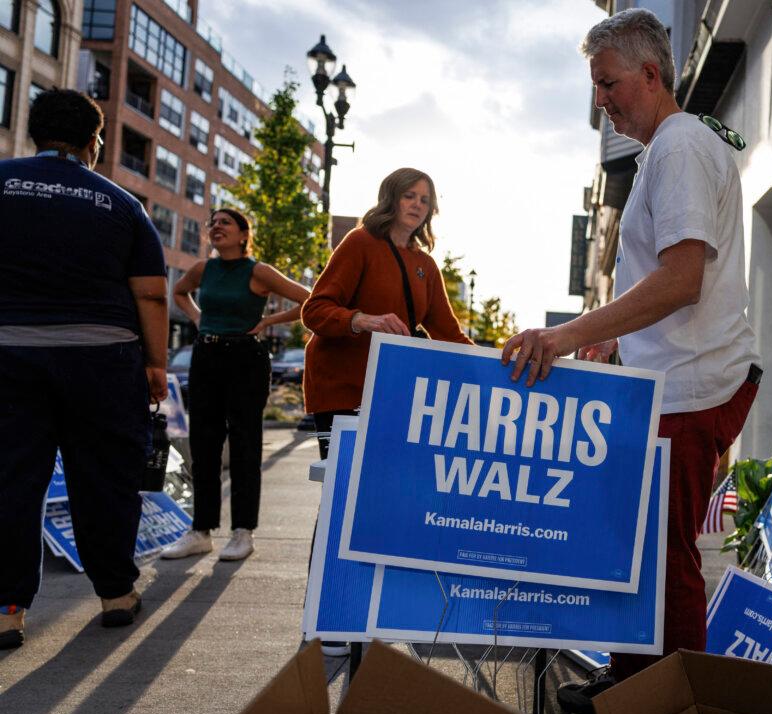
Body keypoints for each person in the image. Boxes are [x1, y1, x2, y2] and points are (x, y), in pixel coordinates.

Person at [500, 9, 761, 714]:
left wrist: (563, 334)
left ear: (651, 74)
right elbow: (670, 278)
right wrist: (613, 337)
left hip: (690, 386)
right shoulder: (667, 152)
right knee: (643, 547)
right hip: (675, 381)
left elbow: (683, 280)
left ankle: (668, 702)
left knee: (666, 557)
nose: (601, 100)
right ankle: (634, 681)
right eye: (596, 86)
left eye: (608, 83)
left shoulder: (678, 149)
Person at [0, 89, 168, 649]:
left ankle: (6, 609)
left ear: (34, 134)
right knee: (104, 478)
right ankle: (116, 594)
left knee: (10, 479)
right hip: (103, 358)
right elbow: (150, 294)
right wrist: (156, 363)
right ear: (94, 142)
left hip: (9, 352)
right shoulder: (121, 204)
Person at [301, 167, 471, 657]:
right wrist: (361, 320)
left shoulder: (425, 266)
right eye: (409, 195)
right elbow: (316, 310)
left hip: (391, 393)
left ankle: (375, 610)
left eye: (425, 198)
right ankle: (328, 615)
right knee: (342, 496)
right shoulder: (358, 244)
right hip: (341, 388)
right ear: (390, 200)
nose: (417, 204)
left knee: (385, 498)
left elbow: (448, 332)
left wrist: (496, 364)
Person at [160, 209, 311, 562]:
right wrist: (199, 318)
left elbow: (309, 297)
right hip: (206, 356)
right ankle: (200, 530)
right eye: (212, 223)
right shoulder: (203, 269)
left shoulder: (257, 270)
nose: (216, 227)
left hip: (245, 359)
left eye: (224, 223)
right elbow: (180, 293)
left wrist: (268, 320)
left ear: (244, 234)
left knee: (244, 445)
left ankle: (243, 532)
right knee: (204, 444)